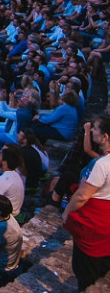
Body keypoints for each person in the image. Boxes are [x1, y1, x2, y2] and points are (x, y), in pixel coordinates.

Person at [63, 113, 110, 289]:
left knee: (85, 270)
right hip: (106, 221)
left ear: (105, 137)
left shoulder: (102, 165)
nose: (93, 131)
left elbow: (82, 196)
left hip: (94, 224)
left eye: (95, 128)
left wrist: (67, 212)